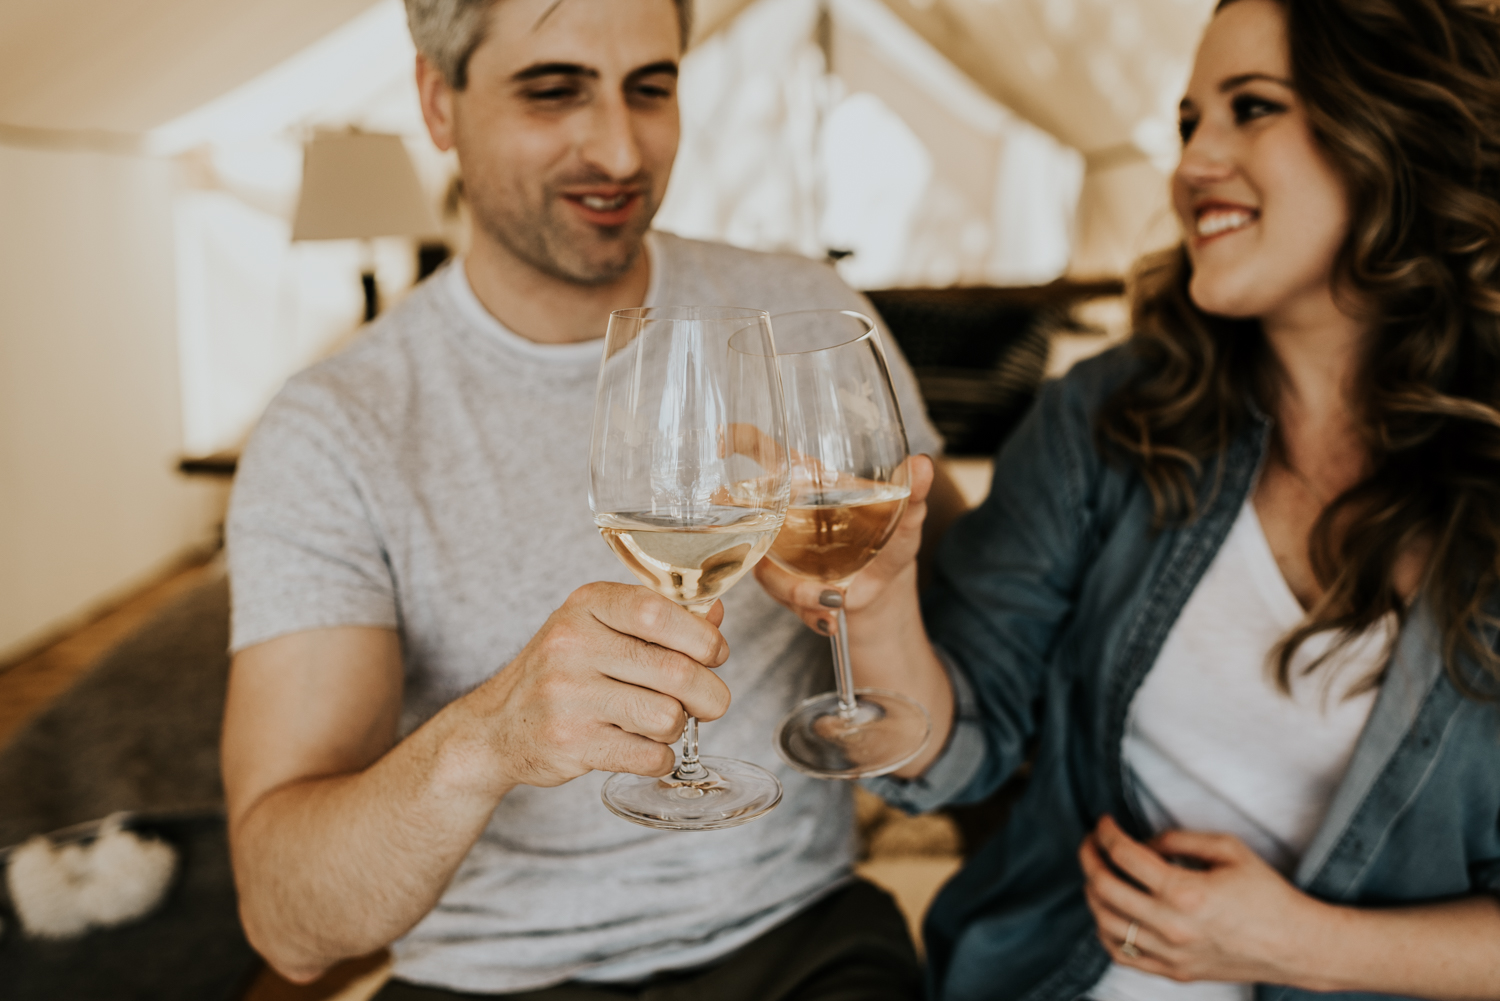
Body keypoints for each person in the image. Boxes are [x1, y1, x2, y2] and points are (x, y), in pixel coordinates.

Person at [755, 0, 1500, 998]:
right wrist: (882, 610)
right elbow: (955, 750)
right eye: (1191, 121)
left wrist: (1303, 945)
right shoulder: (1107, 419)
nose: (1195, 162)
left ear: (1393, 131)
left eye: (1253, 108)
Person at [219, 0, 963, 997]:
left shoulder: (806, 310)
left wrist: (878, 596)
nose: (619, 148)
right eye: (553, 88)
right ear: (439, 103)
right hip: (492, 976)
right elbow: (287, 917)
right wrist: (489, 736)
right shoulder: (332, 429)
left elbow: (962, 672)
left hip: (799, 937)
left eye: (650, 88)